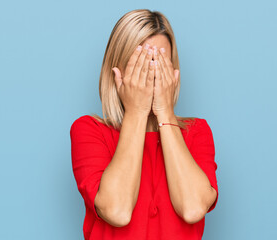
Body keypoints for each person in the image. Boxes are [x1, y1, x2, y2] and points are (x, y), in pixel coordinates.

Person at [70, 9, 219, 240]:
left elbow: (192, 209)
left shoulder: (196, 132)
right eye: (140, 65)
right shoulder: (89, 131)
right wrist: (137, 111)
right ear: (116, 72)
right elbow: (117, 211)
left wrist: (165, 111)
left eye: (160, 64)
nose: (151, 75)